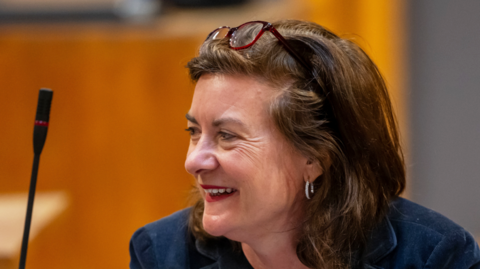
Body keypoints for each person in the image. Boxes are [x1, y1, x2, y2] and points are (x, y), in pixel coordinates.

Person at [129, 20, 480, 269]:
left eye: (227, 136)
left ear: (316, 155)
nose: (195, 161)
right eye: (194, 132)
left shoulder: (433, 256)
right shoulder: (161, 254)